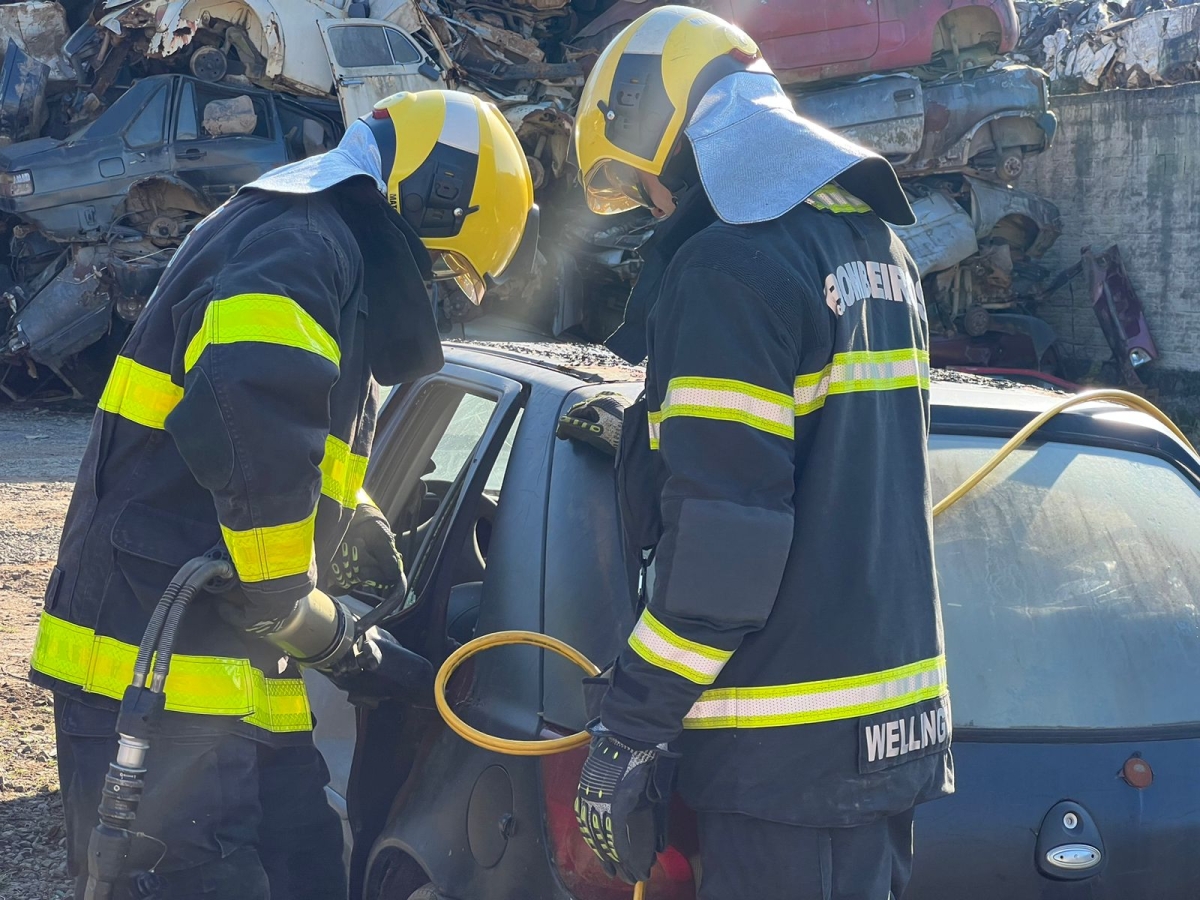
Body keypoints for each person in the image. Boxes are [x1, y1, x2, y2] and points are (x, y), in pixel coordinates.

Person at [29, 89, 536, 900]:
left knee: (307, 866)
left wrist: (357, 522)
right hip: (153, 665)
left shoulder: (312, 242)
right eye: (442, 264)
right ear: (436, 197)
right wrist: (297, 606)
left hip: (229, 667)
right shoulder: (298, 240)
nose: (431, 286)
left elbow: (297, 438)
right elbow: (248, 402)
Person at [563, 8, 952, 899]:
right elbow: (837, 463)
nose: (657, 209)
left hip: (783, 759)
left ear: (659, 131)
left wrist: (630, 728)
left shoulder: (729, 268)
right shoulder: (879, 248)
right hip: (890, 738)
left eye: (646, 188)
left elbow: (723, 554)